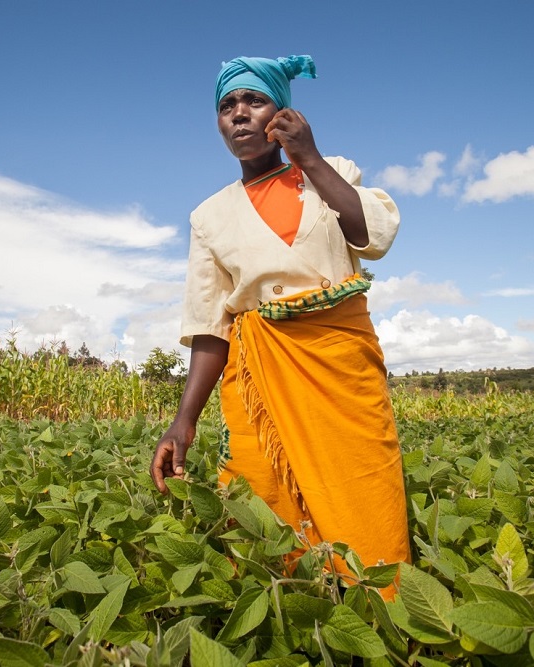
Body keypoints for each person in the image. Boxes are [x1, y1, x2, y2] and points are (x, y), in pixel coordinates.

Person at [149, 55, 409, 595]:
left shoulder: (330, 172)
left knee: (364, 490)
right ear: (219, 124)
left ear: (282, 110)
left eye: (254, 100)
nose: (239, 114)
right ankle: (293, 608)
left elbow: (372, 237)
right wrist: (184, 422)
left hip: (341, 365)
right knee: (267, 502)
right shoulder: (210, 216)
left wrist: (308, 156)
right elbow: (208, 324)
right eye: (227, 106)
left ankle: (380, 609)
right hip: (260, 373)